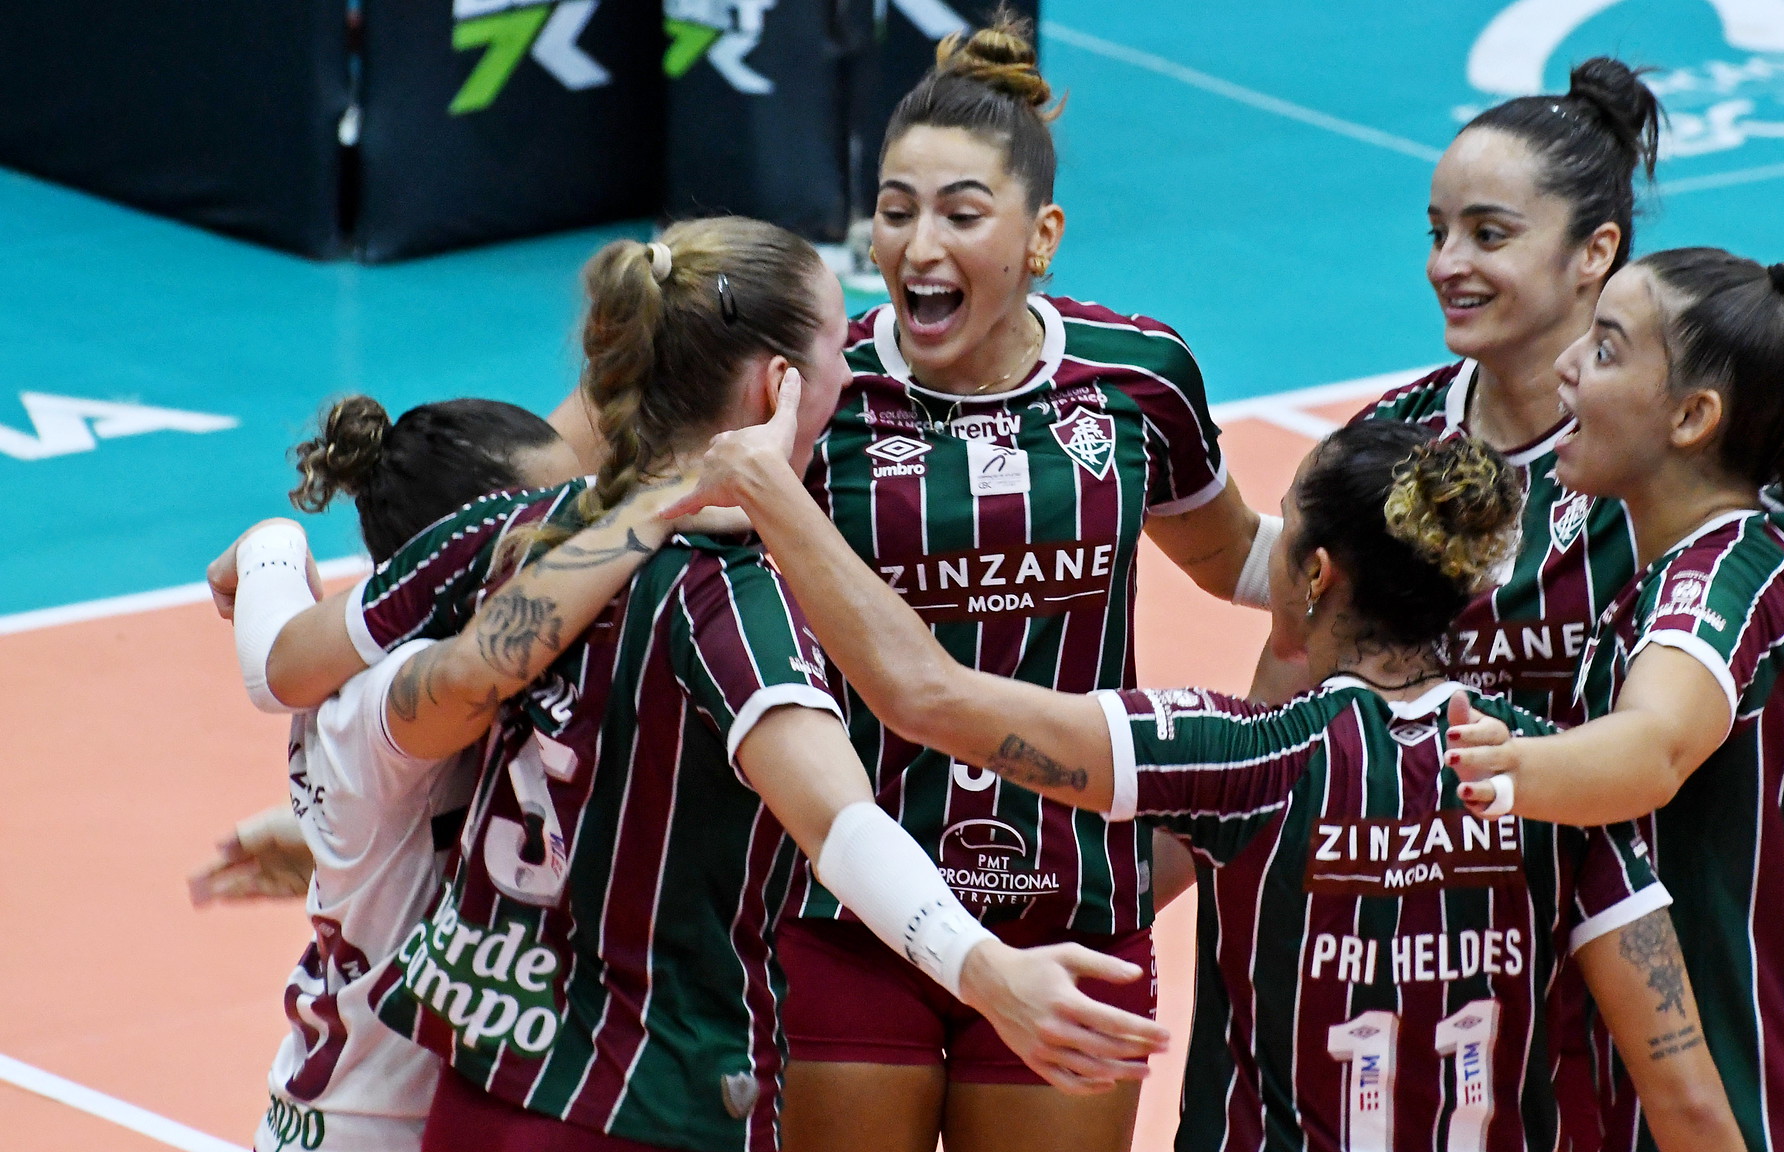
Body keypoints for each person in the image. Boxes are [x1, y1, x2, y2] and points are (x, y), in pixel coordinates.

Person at [260, 215, 1170, 1152]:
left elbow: (286, 664)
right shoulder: (725, 596)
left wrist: (266, 553)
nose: (853, 375)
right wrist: (985, 970)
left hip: (479, 1088)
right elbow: (839, 823)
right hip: (652, 1100)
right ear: (777, 386)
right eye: (836, 350)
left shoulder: (512, 528)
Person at [657, 379, 1750, 1152]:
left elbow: (925, 698)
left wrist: (770, 489)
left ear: (1312, 578)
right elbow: (1689, 1104)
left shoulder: (1251, 755)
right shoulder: (1557, 778)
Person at [551, 15, 1268, 1151]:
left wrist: (1412, 566)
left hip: (1075, 914)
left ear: (1041, 236)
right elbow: (584, 476)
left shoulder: (1138, 376)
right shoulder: (810, 385)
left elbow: (1255, 568)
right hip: (843, 913)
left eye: (961, 214)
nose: (918, 245)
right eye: (894, 210)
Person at [1256, 58, 1784, 718]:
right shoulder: (1391, 445)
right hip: (1475, 862)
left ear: (1594, 251)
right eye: (1438, 232)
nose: (1444, 264)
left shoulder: (1694, 426)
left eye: (1488, 235)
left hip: (1661, 857)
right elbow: (1286, 684)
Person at [1448, 250, 1784, 1152]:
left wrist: (1496, 766)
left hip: (1763, 1110)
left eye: (1603, 349)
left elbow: (1653, 748)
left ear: (1691, 417)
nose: (1565, 365)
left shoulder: (1712, 589)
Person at [201, 394, 680, 1152]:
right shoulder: (389, 691)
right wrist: (656, 506)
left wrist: (269, 547)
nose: (580, 533)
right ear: (460, 557)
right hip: (377, 1127)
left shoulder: (366, 660)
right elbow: (458, 672)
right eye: (557, 522)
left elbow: (276, 619)